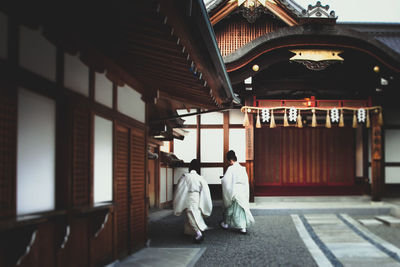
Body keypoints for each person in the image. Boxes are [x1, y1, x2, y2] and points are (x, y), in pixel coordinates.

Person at [173, 159, 212, 243]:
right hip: (197, 197)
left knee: (191, 215)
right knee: (195, 214)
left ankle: (198, 233)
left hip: (189, 197)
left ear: (189, 167)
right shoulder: (200, 178)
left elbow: (180, 188)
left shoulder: (185, 176)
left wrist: (179, 199)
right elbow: (205, 190)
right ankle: (189, 232)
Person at [220, 150, 254, 234]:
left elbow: (226, 181)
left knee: (230, 209)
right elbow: (246, 181)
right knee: (241, 210)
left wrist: (222, 179)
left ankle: (225, 223)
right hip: (242, 190)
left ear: (230, 160)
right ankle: (243, 228)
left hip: (234, 190)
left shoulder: (231, 168)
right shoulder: (242, 168)